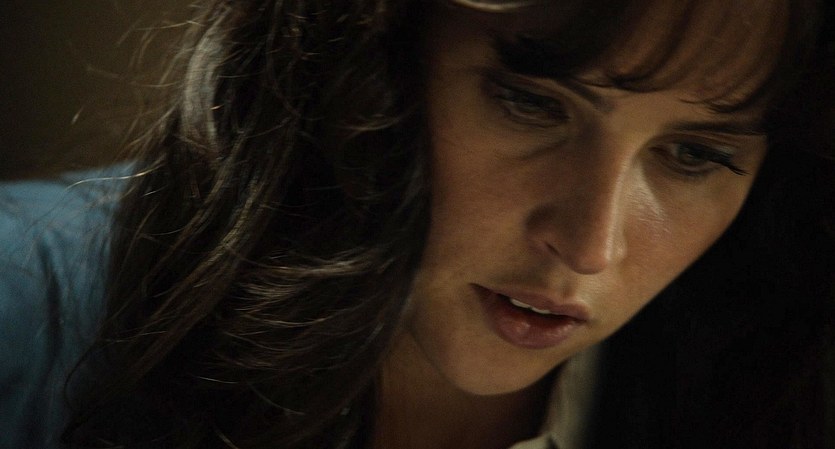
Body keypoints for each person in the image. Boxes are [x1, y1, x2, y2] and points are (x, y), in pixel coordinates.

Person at [1, 0, 833, 448]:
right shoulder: (25, 306)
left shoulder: (763, 385)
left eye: (693, 155)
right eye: (530, 105)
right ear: (368, 62)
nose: (589, 246)